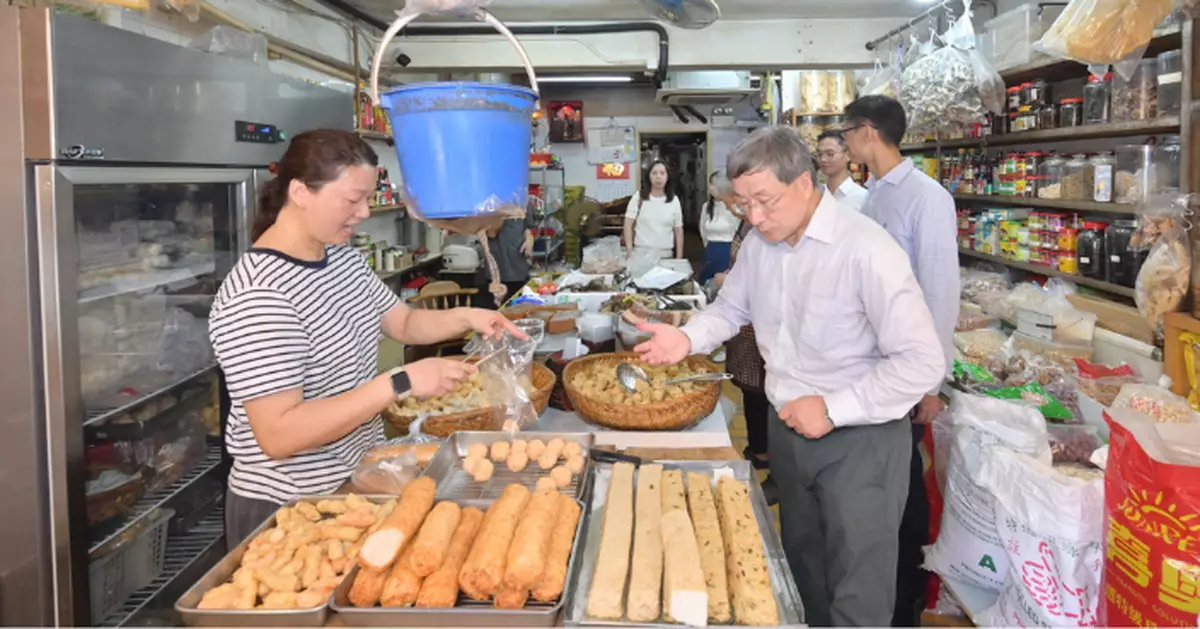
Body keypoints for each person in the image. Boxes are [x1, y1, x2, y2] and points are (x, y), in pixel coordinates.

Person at [634, 125, 945, 627]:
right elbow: (730, 308)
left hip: (859, 441)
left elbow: (923, 362)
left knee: (856, 585)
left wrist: (833, 407)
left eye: (764, 201)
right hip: (788, 431)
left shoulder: (866, 248)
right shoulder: (762, 244)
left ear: (804, 182)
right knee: (803, 567)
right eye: (743, 204)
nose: (754, 217)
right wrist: (688, 338)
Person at [209, 129, 524, 549]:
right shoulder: (257, 295)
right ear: (300, 192)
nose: (362, 212)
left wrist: (471, 316)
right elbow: (279, 434)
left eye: (368, 198)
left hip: (355, 481)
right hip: (289, 508)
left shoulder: (339, 258)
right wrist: (400, 382)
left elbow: (404, 324)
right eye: (352, 199)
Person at [843, 95, 960, 627]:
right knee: (886, 481)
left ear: (868, 132)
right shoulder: (874, 199)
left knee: (904, 487)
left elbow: (939, 292)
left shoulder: (926, 198)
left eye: (846, 132)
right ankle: (884, 587)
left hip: (908, 370)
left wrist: (931, 383)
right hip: (875, 367)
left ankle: (903, 598)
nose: (844, 143)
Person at [713, 216, 776, 505]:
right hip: (750, 327)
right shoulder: (750, 232)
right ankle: (765, 454)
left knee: (762, 396)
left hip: (765, 336)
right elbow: (730, 308)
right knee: (754, 393)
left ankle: (770, 458)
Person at [623, 160, 684, 261]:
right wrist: (629, 252)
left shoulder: (674, 200)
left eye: (662, 173)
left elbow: (678, 230)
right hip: (641, 255)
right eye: (654, 173)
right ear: (648, 176)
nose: (658, 177)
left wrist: (679, 258)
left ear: (667, 177)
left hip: (666, 256)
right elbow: (628, 225)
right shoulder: (639, 197)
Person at [699, 171, 741, 283]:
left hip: (728, 250)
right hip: (711, 249)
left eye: (715, 184)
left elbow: (738, 230)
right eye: (710, 184)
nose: (712, 188)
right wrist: (707, 245)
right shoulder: (706, 207)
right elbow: (702, 230)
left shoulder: (734, 206)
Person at [486, 216, 536, 305]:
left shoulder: (523, 202)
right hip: (498, 267)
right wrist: (502, 213)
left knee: (521, 305)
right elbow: (491, 233)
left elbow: (527, 227)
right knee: (499, 307)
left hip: (518, 261)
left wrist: (528, 241)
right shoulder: (492, 204)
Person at [816, 129, 869, 213]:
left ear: (847, 155)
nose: (823, 159)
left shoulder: (862, 197)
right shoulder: (816, 194)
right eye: (819, 154)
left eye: (830, 154)